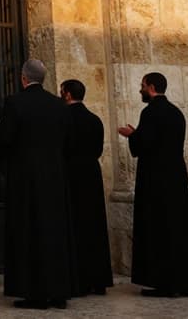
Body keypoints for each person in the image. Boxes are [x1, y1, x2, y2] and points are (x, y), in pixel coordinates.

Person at [0, 59, 75, 310]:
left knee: (29, 232)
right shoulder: (59, 105)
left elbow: (7, 138)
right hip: (55, 178)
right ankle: (58, 291)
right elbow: (68, 140)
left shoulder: (15, 103)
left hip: (26, 179)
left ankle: (33, 293)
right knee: (54, 232)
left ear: (24, 79)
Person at [116, 72, 188, 298]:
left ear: (151, 87)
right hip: (176, 176)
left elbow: (146, 144)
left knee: (159, 228)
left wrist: (131, 135)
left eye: (142, 86)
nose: (140, 90)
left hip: (156, 179)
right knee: (177, 228)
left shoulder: (151, 111)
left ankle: (165, 283)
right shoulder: (176, 112)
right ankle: (184, 282)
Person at [60, 78, 113, 297]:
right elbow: (98, 148)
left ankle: (79, 280)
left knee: (75, 224)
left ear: (68, 95)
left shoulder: (63, 119)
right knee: (94, 224)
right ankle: (99, 280)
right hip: (91, 172)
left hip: (71, 173)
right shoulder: (95, 120)